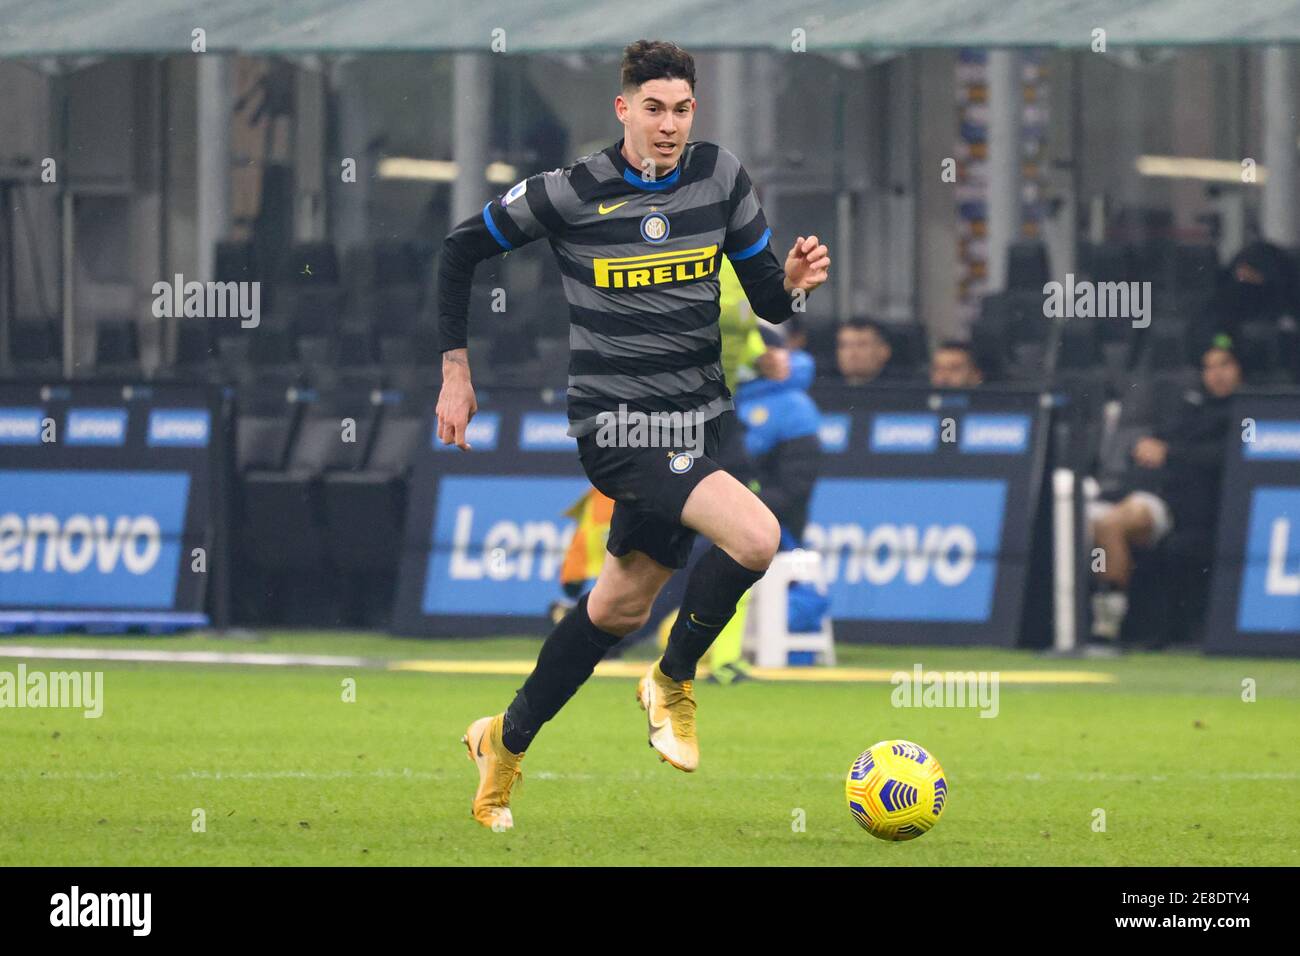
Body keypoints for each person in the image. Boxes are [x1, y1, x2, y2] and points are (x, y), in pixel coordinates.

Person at [435, 39, 830, 829]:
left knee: (615, 608)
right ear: (623, 110)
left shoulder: (721, 178)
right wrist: (455, 369)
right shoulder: (572, 191)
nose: (669, 124)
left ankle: (501, 744)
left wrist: (790, 288)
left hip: (702, 422)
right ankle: (672, 680)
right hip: (617, 426)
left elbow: (767, 302)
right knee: (757, 537)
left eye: (682, 109)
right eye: (654, 108)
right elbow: (461, 249)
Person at [1089, 335, 1242, 636]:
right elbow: (1154, 443)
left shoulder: (1244, 415)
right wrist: (1145, 447)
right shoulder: (1190, 408)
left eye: (1225, 365)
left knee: (1109, 525)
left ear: (1240, 369)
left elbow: (1224, 457)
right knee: (1075, 521)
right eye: (1209, 367)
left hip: (1174, 504)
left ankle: (1107, 625)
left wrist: (1168, 453)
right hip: (1133, 492)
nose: (1217, 374)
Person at [834, 317, 904, 385]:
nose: (852, 354)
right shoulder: (827, 389)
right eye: (844, 345)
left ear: (884, 351)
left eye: (861, 345)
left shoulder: (900, 390)